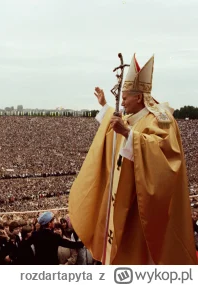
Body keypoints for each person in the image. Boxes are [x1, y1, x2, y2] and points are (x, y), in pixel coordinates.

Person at [69, 53, 197, 265]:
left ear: (139, 97)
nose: (124, 102)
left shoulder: (161, 119)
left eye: (126, 97)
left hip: (142, 205)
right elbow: (117, 129)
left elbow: (166, 155)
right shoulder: (132, 117)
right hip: (124, 199)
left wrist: (130, 135)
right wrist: (104, 107)